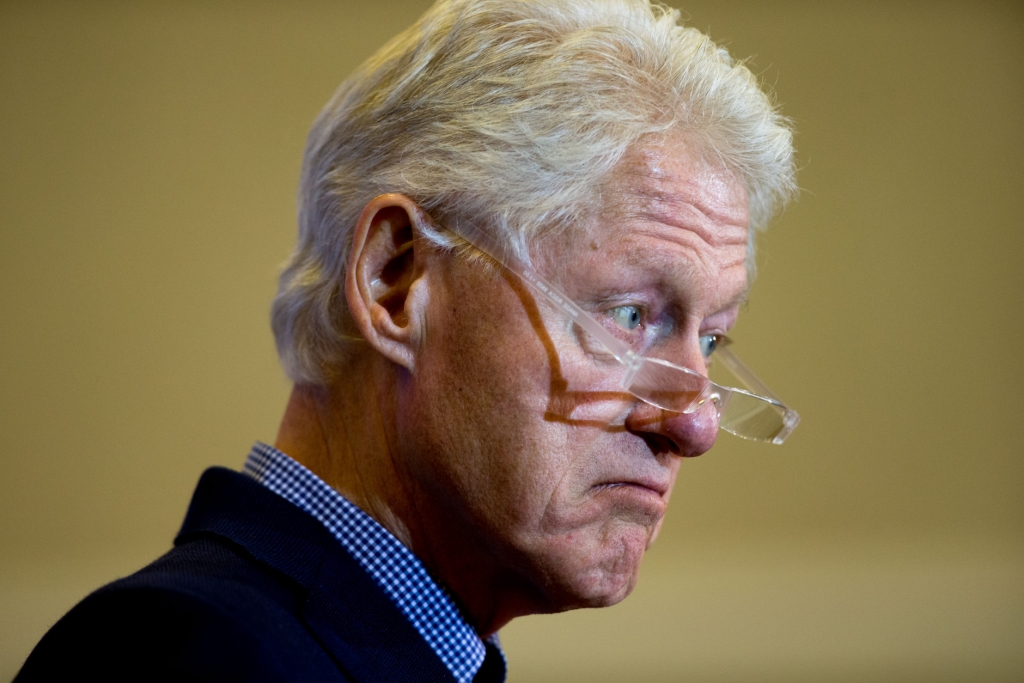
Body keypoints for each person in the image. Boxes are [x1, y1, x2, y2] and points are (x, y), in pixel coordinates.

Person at [16, 0, 798, 680]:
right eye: (631, 316)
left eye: (714, 335)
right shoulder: (185, 657)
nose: (692, 425)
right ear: (397, 280)